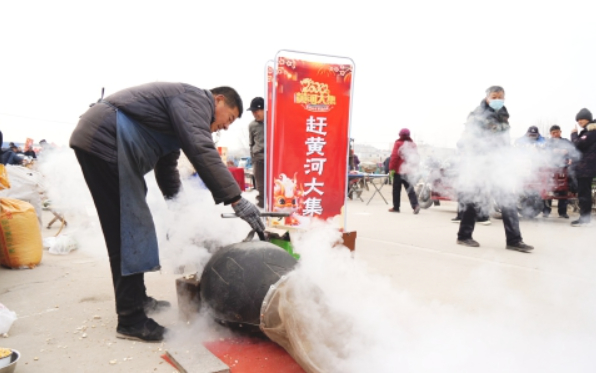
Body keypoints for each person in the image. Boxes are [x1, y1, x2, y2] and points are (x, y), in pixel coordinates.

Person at [70, 82, 264, 342]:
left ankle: (138, 299)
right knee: (126, 229)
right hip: (106, 141)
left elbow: (167, 170)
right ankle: (130, 319)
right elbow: (201, 148)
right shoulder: (195, 100)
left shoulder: (176, 116)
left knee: (135, 225)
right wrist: (236, 200)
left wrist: (181, 212)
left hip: (108, 143)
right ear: (218, 100)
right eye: (229, 118)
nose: (227, 126)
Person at [456, 86, 533, 252]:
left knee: (508, 200)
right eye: (494, 96)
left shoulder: (503, 116)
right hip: (481, 163)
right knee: (474, 200)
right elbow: (467, 140)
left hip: (499, 165)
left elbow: (503, 142)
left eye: (500, 96)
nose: (497, 99)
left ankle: (514, 240)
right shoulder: (477, 115)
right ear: (487, 97)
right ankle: (464, 236)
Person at [542, 124, 580, 218]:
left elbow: (573, 151)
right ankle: (546, 211)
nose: (555, 134)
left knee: (563, 189)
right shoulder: (547, 143)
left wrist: (567, 153)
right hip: (550, 168)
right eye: (553, 133)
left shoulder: (566, 141)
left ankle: (562, 212)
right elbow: (543, 152)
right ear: (550, 133)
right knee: (548, 189)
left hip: (564, 167)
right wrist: (552, 152)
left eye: (557, 132)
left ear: (560, 132)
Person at [570, 108, 596, 227]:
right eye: (578, 119)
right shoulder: (588, 131)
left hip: (586, 168)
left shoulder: (591, 131)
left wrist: (573, 134)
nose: (580, 121)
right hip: (585, 167)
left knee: (584, 194)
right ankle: (584, 217)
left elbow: (577, 144)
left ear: (588, 119)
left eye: (582, 119)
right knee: (584, 193)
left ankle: (584, 219)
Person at [388, 128, 420, 214]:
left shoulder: (398, 143)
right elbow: (416, 158)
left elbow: (394, 157)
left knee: (396, 190)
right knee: (410, 189)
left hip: (398, 171)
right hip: (408, 171)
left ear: (400, 135)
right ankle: (415, 205)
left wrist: (391, 168)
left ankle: (396, 207)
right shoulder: (413, 145)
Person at [247, 97, 265, 209]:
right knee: (261, 188)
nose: (254, 114)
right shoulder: (252, 126)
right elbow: (251, 144)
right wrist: (253, 159)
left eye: (256, 111)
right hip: (259, 158)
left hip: (274, 158)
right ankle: (261, 211)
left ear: (264, 109)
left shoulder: (274, 121)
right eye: (252, 112)